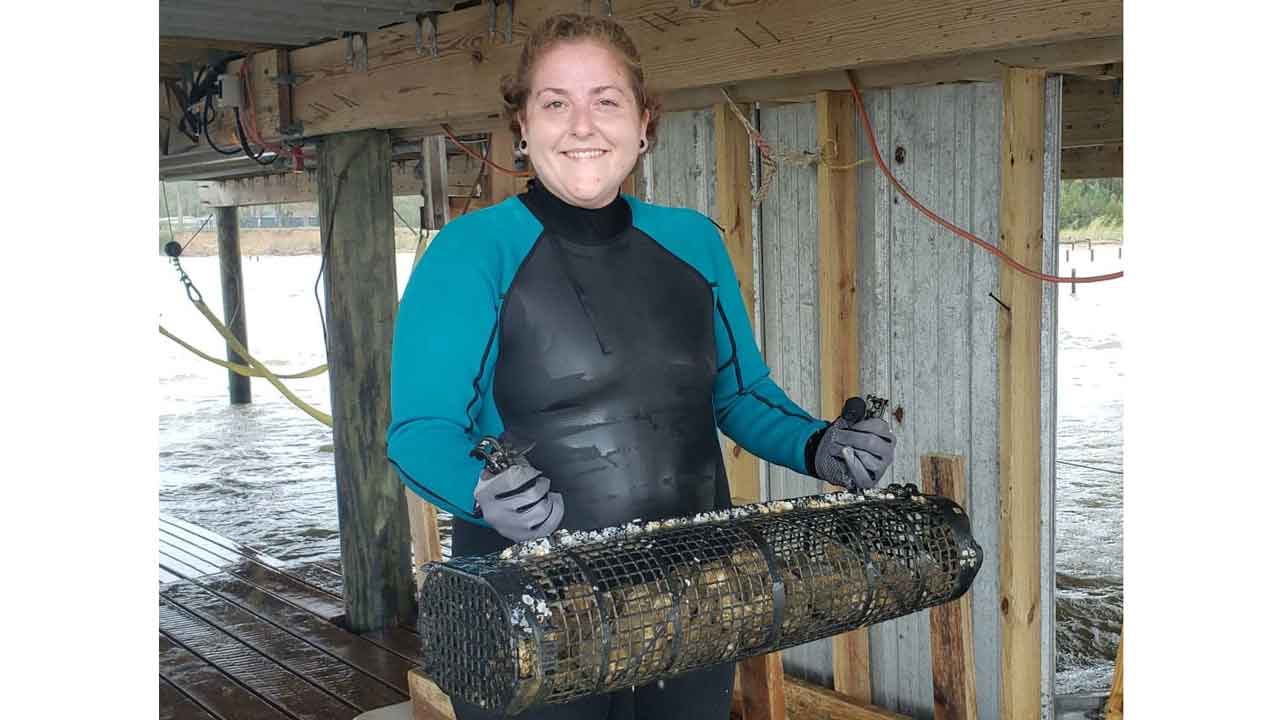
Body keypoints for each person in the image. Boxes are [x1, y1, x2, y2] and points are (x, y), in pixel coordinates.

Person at [388, 13, 896, 720]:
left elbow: (740, 394)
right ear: (523, 128)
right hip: (526, 606)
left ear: (643, 123)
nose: (582, 124)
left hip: (690, 594)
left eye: (606, 100)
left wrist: (818, 445)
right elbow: (419, 431)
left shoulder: (693, 242)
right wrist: (479, 490)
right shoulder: (470, 252)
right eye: (555, 103)